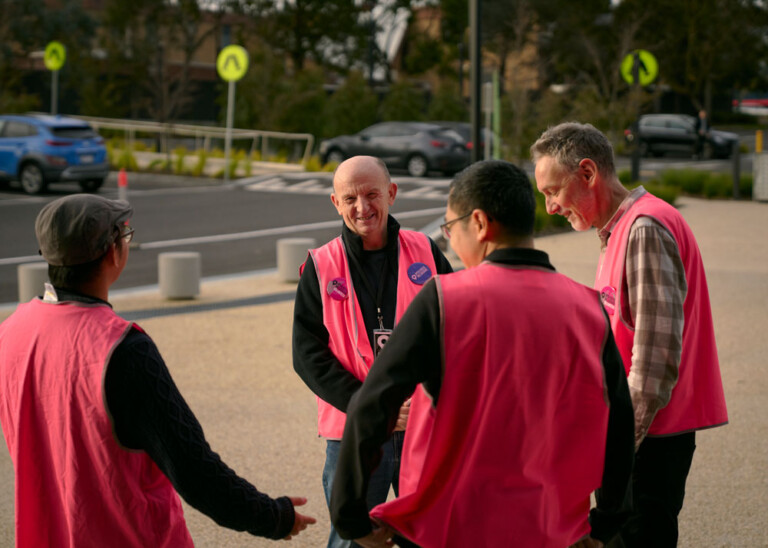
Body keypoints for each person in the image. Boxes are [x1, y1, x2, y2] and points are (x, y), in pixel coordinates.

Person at [329, 160, 635, 548]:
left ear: (479, 223)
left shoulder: (444, 300)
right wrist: (607, 522)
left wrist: (351, 520)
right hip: (552, 528)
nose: (452, 244)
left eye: (450, 229)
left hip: (453, 527)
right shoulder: (588, 310)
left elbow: (371, 408)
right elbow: (618, 424)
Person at [0, 194, 315, 547]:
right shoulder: (121, 349)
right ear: (112, 252)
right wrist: (274, 517)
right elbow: (194, 470)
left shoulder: (11, 332)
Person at [531, 122, 728, 548]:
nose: (549, 207)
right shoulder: (623, 227)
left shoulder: (644, 229)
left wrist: (615, 454)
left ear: (587, 173)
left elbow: (654, 367)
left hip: (649, 440)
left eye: (552, 191)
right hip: (646, 435)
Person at [292, 155, 453, 548]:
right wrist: (366, 405)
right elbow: (307, 353)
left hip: (422, 427)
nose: (362, 208)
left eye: (371, 195)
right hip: (354, 431)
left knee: (434, 535)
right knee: (351, 539)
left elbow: (457, 331)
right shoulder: (321, 265)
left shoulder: (426, 252)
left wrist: (433, 399)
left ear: (392, 194)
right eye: (350, 198)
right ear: (335, 202)